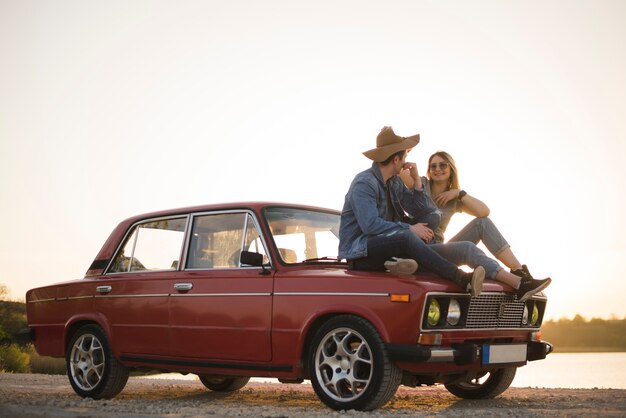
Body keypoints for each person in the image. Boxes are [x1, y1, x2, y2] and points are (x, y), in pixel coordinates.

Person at [339, 126, 488, 296]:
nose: (406, 161)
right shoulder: (364, 183)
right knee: (406, 236)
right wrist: (410, 228)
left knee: (434, 216)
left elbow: (421, 209)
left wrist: (417, 182)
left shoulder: (394, 181)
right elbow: (369, 225)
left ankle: (409, 260)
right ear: (396, 159)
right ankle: (462, 278)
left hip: (392, 242)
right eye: (405, 156)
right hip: (363, 252)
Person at [400, 150, 551, 301]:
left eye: (442, 165)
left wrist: (459, 193)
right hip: (422, 247)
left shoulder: (454, 200)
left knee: (482, 224)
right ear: (429, 171)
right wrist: (403, 150)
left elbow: (484, 212)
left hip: (441, 248)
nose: (437, 169)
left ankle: (520, 273)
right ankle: (519, 284)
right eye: (433, 166)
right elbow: (399, 170)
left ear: (451, 169)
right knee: (467, 248)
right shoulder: (421, 183)